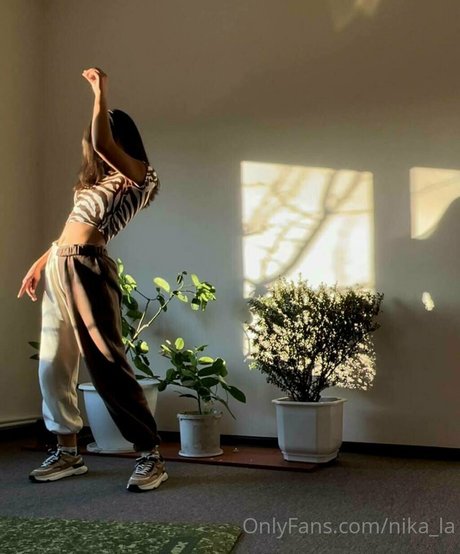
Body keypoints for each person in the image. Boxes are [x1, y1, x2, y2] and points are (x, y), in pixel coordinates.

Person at [17, 67, 168, 493]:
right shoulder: (93, 184)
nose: (94, 143)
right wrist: (42, 261)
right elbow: (71, 227)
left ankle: (150, 454)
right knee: (53, 364)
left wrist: (100, 92)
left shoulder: (140, 175)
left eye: (100, 133)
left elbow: (103, 143)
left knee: (106, 362)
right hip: (60, 264)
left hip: (88, 267)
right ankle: (67, 451)